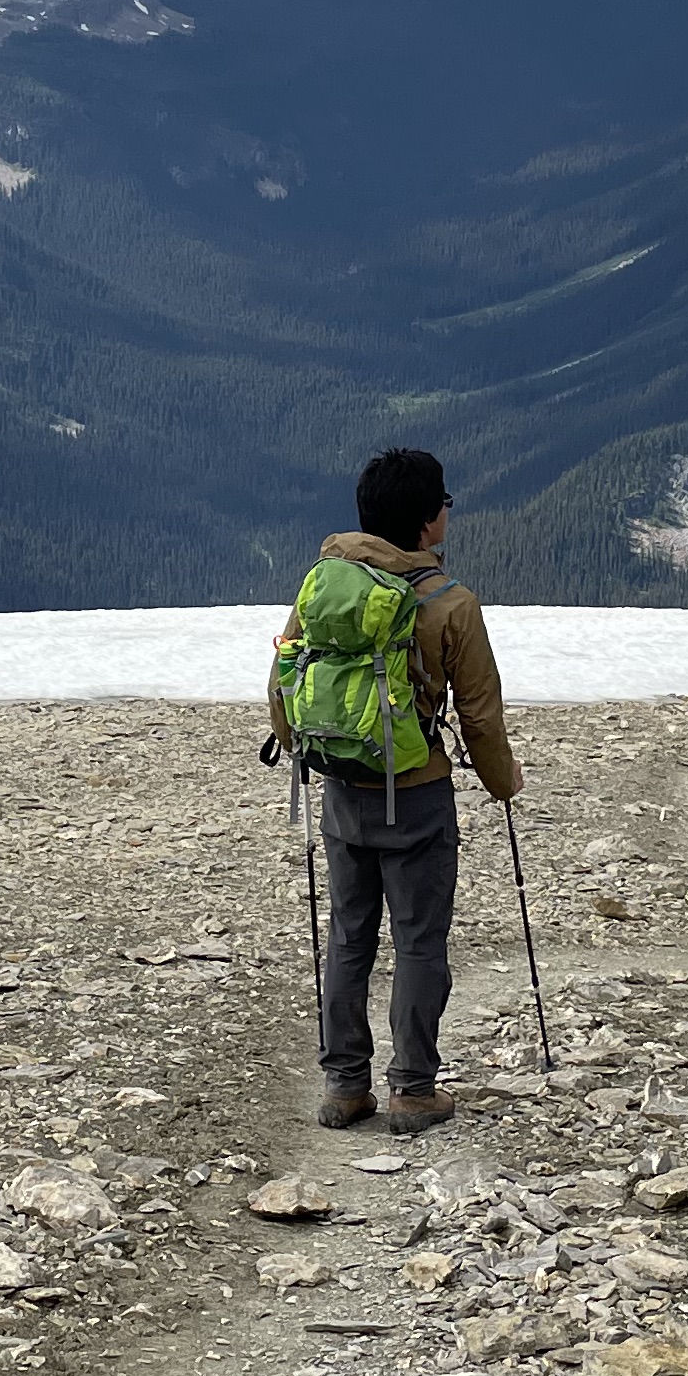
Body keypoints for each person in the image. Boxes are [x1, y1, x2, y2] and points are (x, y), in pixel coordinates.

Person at [269, 445, 519, 1134]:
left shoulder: (323, 585)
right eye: (444, 503)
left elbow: (284, 677)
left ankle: (344, 1086)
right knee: (418, 942)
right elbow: (480, 714)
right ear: (426, 521)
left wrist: (304, 750)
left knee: (349, 937)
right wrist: (502, 785)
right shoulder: (450, 604)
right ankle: (413, 1089)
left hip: (343, 788)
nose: (447, 513)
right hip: (416, 795)